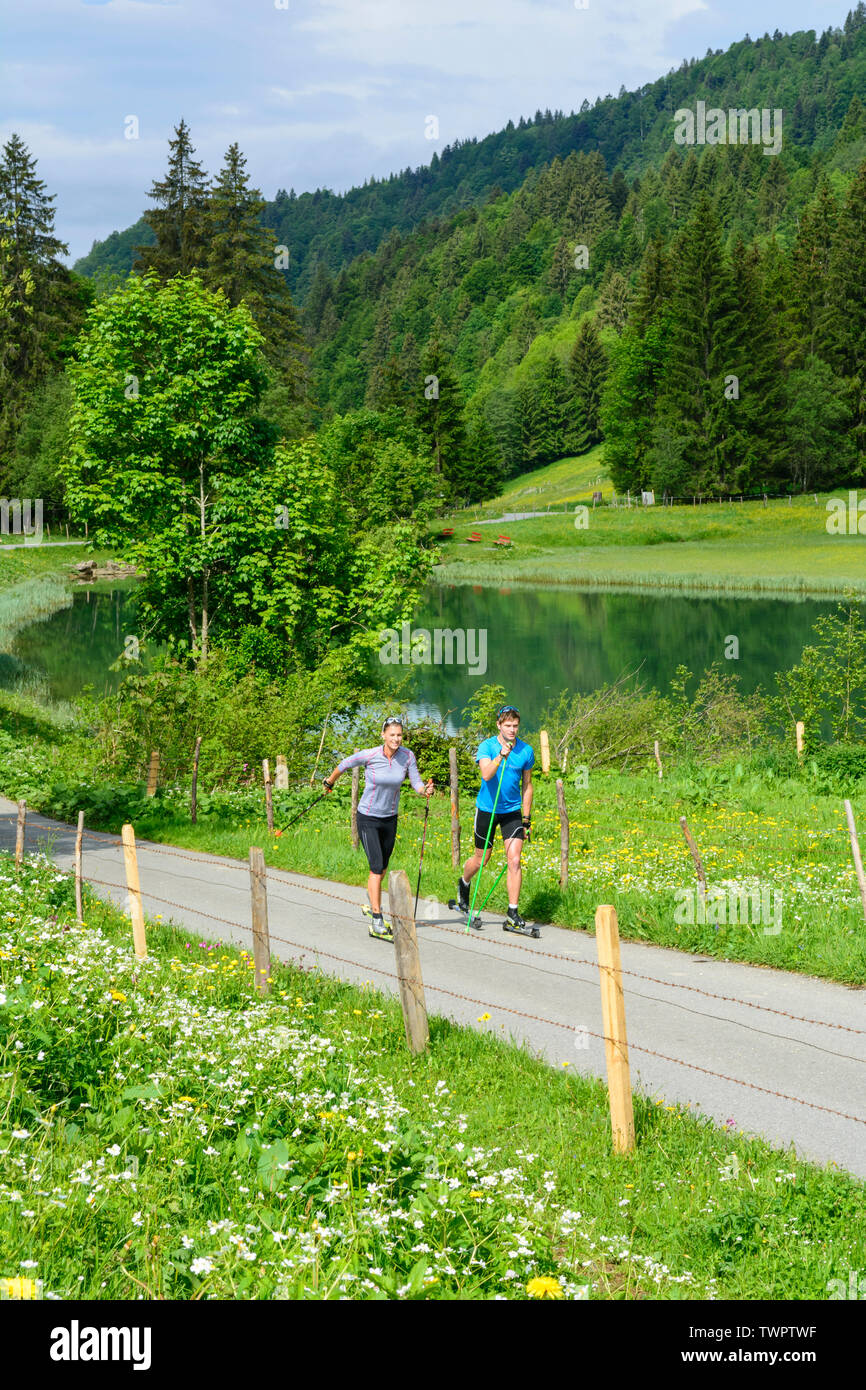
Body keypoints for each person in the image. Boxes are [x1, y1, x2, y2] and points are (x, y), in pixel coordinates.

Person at [323, 717, 434, 939]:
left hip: (389, 818)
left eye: (400, 735)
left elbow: (416, 782)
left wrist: (425, 791)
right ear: (383, 735)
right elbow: (344, 764)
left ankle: (372, 899)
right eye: (392, 734)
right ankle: (377, 919)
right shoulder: (370, 755)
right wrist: (330, 782)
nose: (396, 739)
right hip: (368, 818)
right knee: (375, 867)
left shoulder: (407, 756)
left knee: (382, 868)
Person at [457, 704, 534, 934]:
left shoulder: (526, 751)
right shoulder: (487, 746)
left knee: (515, 860)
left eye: (516, 726)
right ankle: (463, 883)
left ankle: (512, 913)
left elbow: (527, 785)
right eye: (508, 725)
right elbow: (486, 774)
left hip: (512, 811)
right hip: (487, 809)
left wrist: (527, 818)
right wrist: (501, 755)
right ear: (499, 725)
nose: (512, 730)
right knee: (482, 860)